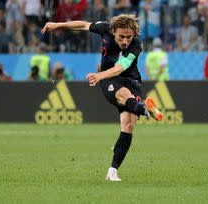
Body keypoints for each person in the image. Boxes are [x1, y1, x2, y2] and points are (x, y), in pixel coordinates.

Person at [41, 14, 163, 182]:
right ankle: (144, 108)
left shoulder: (136, 45)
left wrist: (99, 75)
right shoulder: (105, 28)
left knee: (129, 123)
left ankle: (112, 171)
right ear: (113, 31)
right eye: (121, 37)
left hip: (130, 79)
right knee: (124, 96)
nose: (125, 41)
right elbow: (83, 25)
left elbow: (121, 68)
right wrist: (58, 24)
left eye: (128, 37)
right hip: (109, 80)